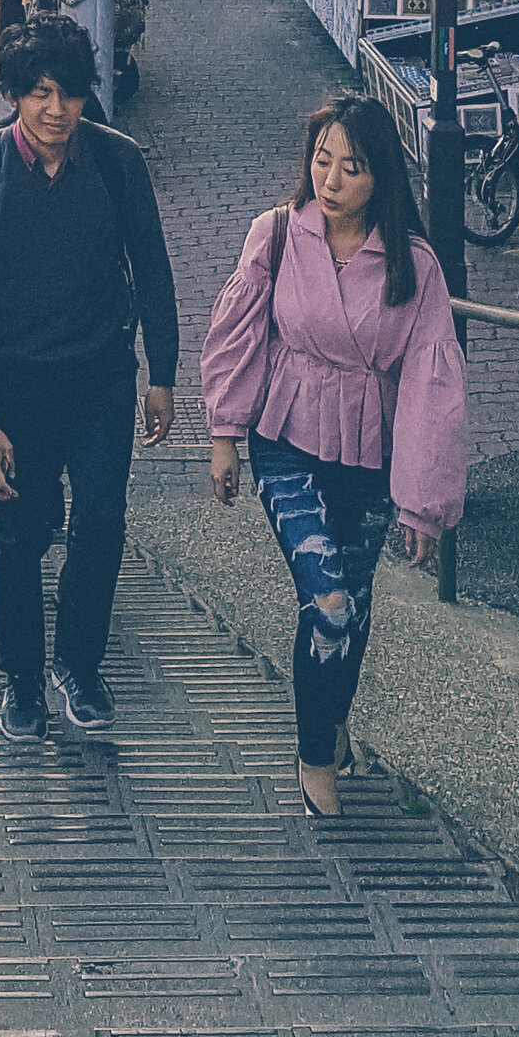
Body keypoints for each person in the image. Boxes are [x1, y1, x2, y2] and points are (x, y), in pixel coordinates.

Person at [200, 95, 467, 819]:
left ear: (380, 176)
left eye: (352, 167)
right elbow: (238, 332)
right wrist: (226, 432)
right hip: (286, 439)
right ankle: (315, 749)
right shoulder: (278, 234)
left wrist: (424, 500)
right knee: (329, 603)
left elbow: (432, 380)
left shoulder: (415, 264)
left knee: (358, 606)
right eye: (323, 161)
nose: (333, 180)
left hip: (371, 454)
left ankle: (334, 712)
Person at [0, 13, 179, 744]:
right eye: (39, 93)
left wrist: (161, 374)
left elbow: (155, 272)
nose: (55, 110)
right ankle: (21, 678)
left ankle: (78, 664)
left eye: (69, 94)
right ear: (12, 94)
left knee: (101, 523)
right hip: (12, 386)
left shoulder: (116, 161)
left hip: (101, 377)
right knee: (20, 532)